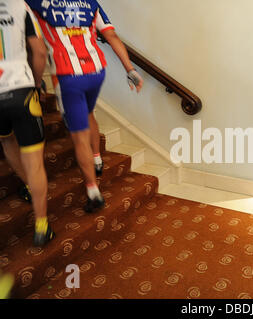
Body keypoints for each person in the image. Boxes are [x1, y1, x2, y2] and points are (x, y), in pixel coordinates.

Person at [26, 0, 143, 213]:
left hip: (67, 76)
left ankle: (93, 192)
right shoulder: (90, 2)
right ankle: (97, 158)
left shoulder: (37, 2)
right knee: (89, 112)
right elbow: (111, 36)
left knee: (79, 137)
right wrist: (130, 69)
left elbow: (34, 44)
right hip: (96, 71)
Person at [0, 0, 54, 247]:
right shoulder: (19, 6)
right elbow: (40, 52)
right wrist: (35, 82)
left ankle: (27, 186)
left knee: (7, 140)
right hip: (21, 89)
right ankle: (41, 226)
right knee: (35, 162)